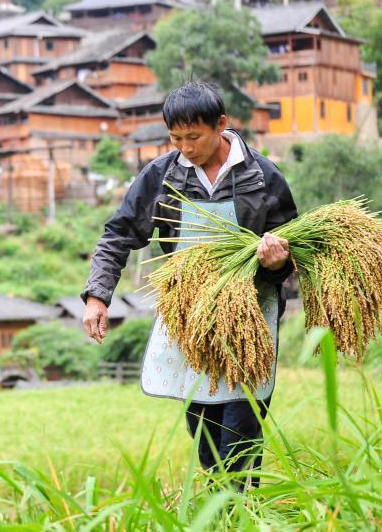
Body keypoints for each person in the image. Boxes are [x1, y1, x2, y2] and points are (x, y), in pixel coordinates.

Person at [80, 81, 298, 491]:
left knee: (240, 432)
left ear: (221, 124)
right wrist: (97, 296)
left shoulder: (261, 176)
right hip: (192, 320)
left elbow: (291, 249)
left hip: (249, 318)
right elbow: (118, 234)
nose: (185, 147)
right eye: (176, 138)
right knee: (204, 434)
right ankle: (227, 510)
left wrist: (277, 262)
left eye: (194, 136)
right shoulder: (162, 176)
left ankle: (236, 508)